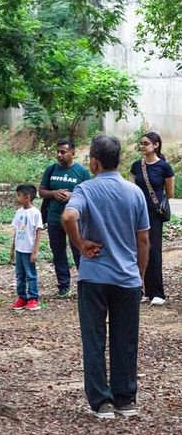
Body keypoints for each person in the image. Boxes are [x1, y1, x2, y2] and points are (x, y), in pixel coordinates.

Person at [62, 135, 150, 419]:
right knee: (125, 339)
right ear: (119, 160)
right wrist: (140, 274)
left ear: (95, 162)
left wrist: (81, 244)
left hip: (95, 276)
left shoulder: (85, 189)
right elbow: (144, 239)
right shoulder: (134, 192)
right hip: (127, 278)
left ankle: (102, 402)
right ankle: (126, 399)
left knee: (95, 338)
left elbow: (68, 217)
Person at [39, 139, 90, 298]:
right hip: (54, 218)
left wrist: (72, 196)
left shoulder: (81, 172)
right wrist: (53, 194)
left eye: (63, 152)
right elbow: (41, 191)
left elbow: (90, 194)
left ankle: (85, 283)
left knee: (78, 250)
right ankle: (63, 285)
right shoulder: (51, 169)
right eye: (58, 152)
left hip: (76, 219)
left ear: (73, 153)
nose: (59, 155)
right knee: (58, 252)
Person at [130, 132, 175, 306]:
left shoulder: (164, 167)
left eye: (146, 143)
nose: (142, 146)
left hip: (154, 213)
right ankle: (143, 290)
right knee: (138, 250)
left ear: (155, 145)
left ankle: (157, 292)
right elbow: (134, 189)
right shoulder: (136, 166)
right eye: (141, 143)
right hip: (137, 212)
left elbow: (170, 193)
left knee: (154, 250)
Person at [10, 184, 43, 311]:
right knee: (20, 274)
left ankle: (33, 297)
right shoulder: (19, 212)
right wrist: (13, 248)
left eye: (19, 196)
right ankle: (22, 297)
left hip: (29, 249)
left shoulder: (35, 213)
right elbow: (16, 231)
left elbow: (38, 232)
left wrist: (35, 250)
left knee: (30, 274)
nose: (17, 198)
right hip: (19, 248)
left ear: (27, 197)